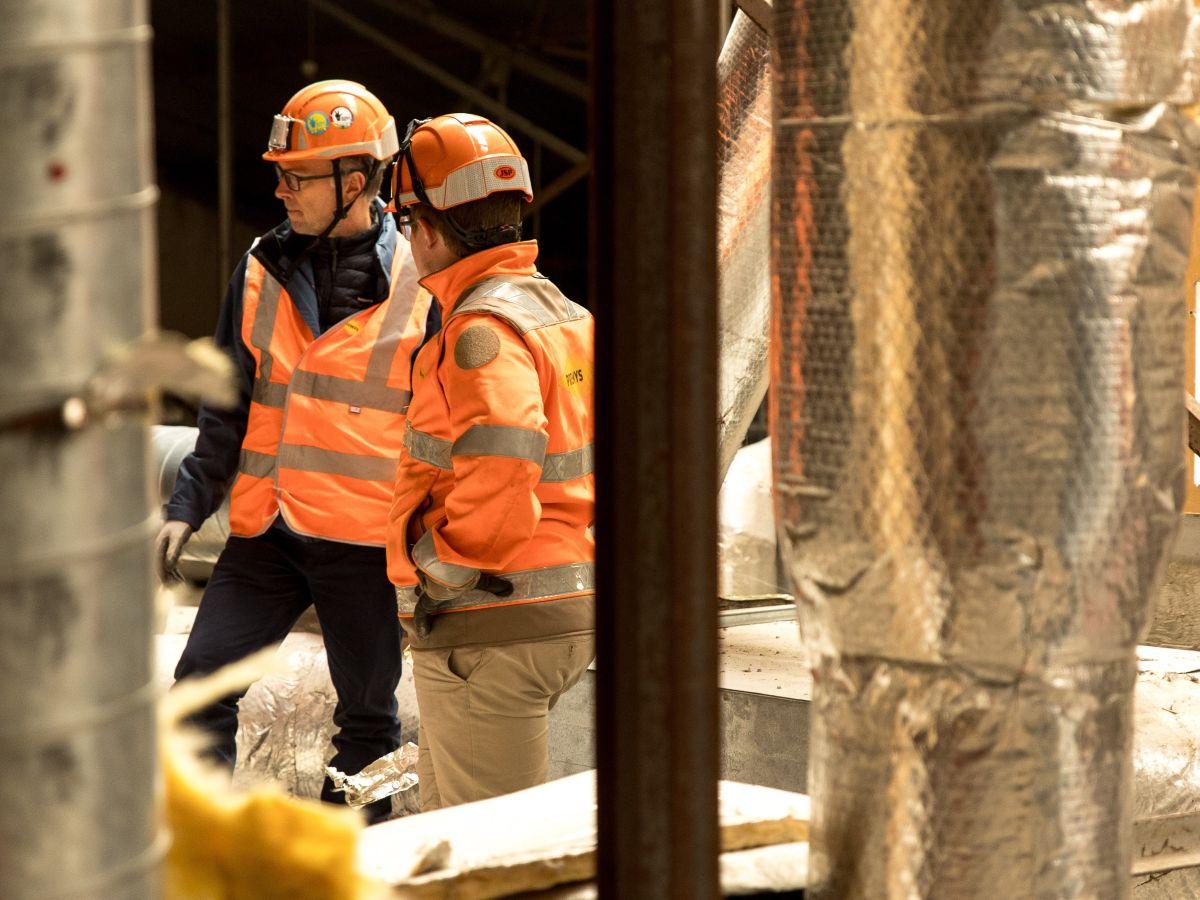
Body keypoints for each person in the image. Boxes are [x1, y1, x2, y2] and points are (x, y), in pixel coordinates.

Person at [155, 80, 431, 823]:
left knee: (369, 729)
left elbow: (444, 429)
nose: (280, 190)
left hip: (365, 545)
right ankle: (206, 854)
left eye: (296, 176)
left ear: (357, 179)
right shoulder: (259, 268)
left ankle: (357, 866)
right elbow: (227, 405)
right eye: (279, 174)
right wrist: (188, 504)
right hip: (267, 533)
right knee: (197, 692)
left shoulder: (421, 282)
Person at [385, 114, 595, 810]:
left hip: (491, 618)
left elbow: (503, 464)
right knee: (452, 838)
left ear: (428, 228)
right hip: (560, 605)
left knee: (492, 855)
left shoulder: (481, 331)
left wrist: (441, 566)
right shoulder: (561, 313)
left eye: (408, 224)